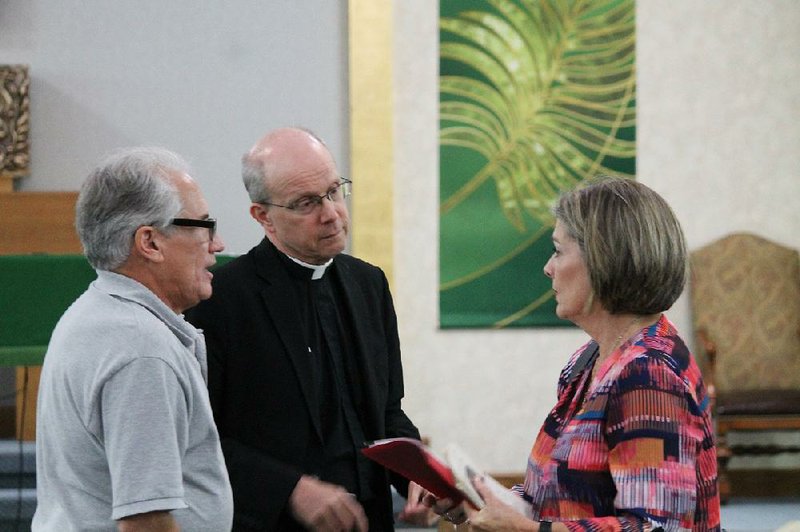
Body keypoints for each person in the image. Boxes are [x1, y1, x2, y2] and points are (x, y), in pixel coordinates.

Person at [425, 177, 721, 531]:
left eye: (558, 250)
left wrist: (528, 531)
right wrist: (482, 503)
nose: (548, 267)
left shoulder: (649, 374)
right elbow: (562, 494)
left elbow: (656, 527)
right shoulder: (588, 361)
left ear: (602, 259)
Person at [185, 127, 432, 531]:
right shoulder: (221, 301)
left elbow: (386, 413)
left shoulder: (369, 284)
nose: (331, 213)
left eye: (335, 191)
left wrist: (419, 473)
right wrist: (290, 489)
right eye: (306, 203)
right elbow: (198, 439)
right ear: (263, 216)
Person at [32, 147, 233, 531]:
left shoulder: (96, 313)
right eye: (203, 226)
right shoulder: (141, 349)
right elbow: (146, 521)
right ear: (150, 243)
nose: (217, 244)